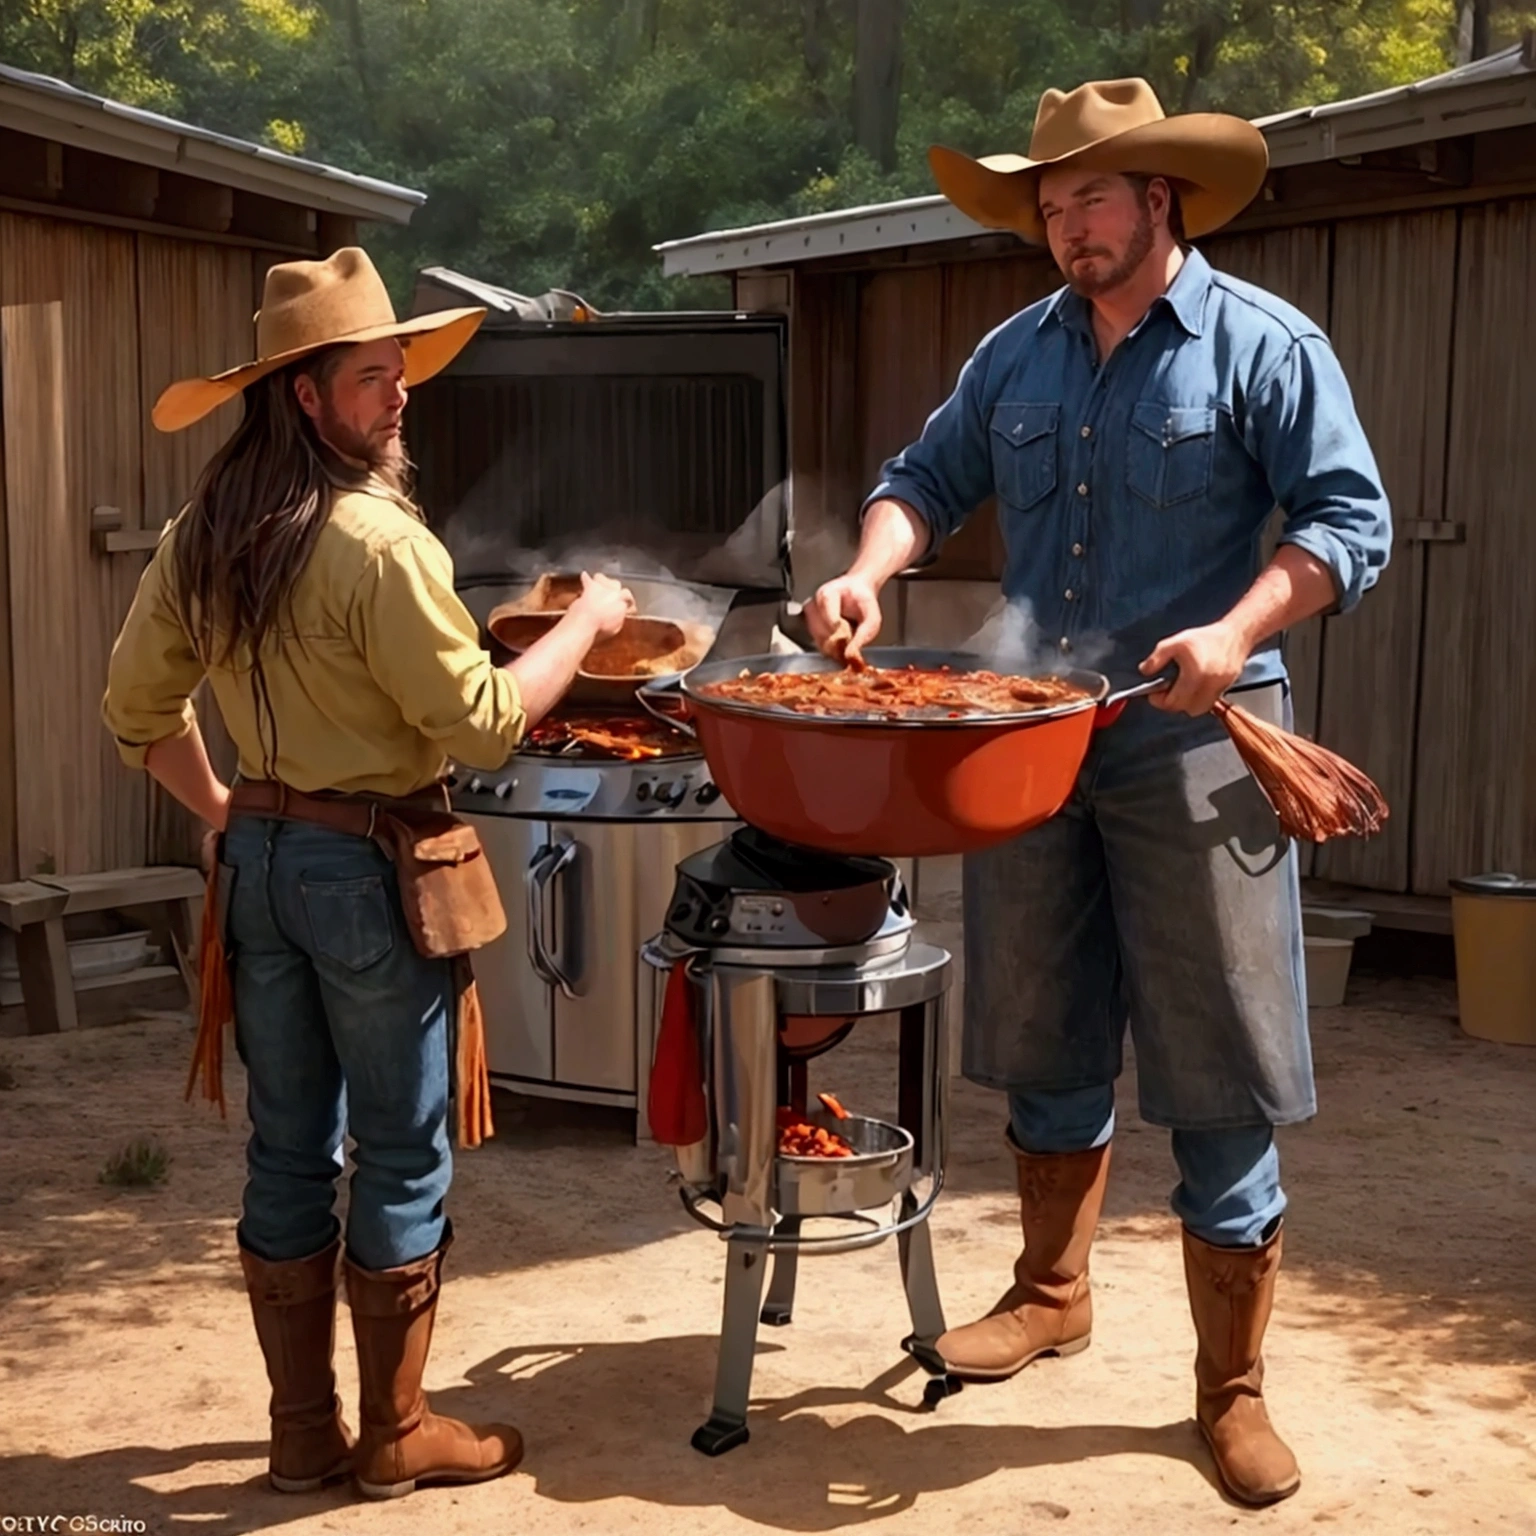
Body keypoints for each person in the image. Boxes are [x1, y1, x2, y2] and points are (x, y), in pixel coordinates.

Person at [805, 79, 1391, 1507]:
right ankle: (1052, 1288)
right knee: (1044, 1027)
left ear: (1160, 200)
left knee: (1220, 1060)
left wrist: (1237, 631)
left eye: (1089, 198)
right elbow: (921, 480)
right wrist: (868, 570)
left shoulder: (1265, 345)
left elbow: (1346, 523)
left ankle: (1230, 1392)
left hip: (1205, 744)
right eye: (1049, 205)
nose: (1066, 224)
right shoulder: (1015, 356)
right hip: (1034, 740)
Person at [102, 247, 634, 1500]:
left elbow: (137, 712)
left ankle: (302, 1437)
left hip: (267, 866)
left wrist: (229, 809)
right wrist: (587, 623)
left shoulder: (201, 533)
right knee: (398, 1149)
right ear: (302, 394)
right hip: (371, 875)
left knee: (289, 1146)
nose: (400, 399)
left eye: (399, 376)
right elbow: (488, 726)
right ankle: (395, 1436)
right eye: (371, 380)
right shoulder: (381, 546)